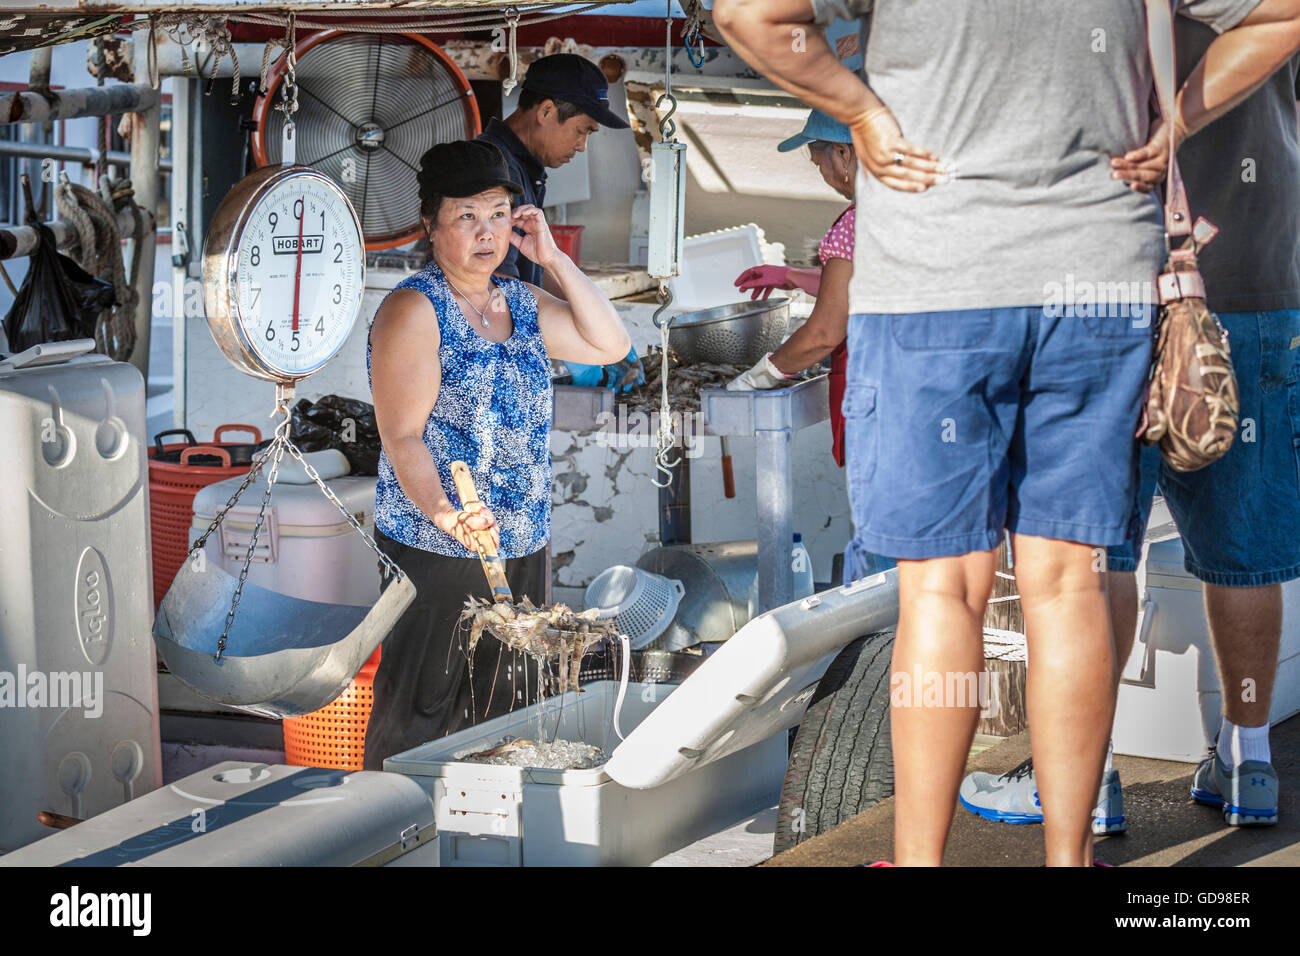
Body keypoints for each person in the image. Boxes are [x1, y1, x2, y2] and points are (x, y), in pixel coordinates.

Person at [714, 0, 1300, 865]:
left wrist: (866, 112)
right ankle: (1072, 857)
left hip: (934, 284)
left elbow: (748, 14)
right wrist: (1170, 121)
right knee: (1067, 582)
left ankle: (923, 862)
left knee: (942, 591)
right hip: (1095, 282)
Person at [961, 20, 1300, 831]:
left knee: (1093, 553)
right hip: (1255, 274)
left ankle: (1088, 772)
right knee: (1244, 552)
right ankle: (1250, 761)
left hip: (1100, 286)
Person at [362, 140, 630, 770]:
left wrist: (554, 260)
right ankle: (392, 831)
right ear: (431, 225)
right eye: (467, 217)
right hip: (436, 543)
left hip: (520, 536)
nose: (487, 233)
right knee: (420, 706)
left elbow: (611, 344)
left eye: (500, 214)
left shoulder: (522, 301)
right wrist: (447, 514)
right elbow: (401, 435)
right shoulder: (414, 308)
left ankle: (480, 838)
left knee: (506, 708)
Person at [478, 52, 640, 391]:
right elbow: (497, 289)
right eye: (582, 131)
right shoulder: (494, 170)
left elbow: (530, 270)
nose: (582, 146)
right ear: (547, 111)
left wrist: (584, 312)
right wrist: (583, 342)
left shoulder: (524, 168)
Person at [727, 109, 857, 471]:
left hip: (879, 397)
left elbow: (823, 333)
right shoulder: (908, 209)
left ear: (843, 153)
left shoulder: (857, 221)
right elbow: (862, 290)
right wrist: (791, 276)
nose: (826, 177)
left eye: (820, 163)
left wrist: (756, 378)